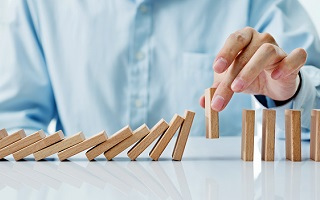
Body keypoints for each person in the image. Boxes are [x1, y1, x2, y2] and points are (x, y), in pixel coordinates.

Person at [0, 0, 319, 139]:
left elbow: (312, 101)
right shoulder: (37, 4)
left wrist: (289, 93)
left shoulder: (262, 3)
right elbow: (11, 126)